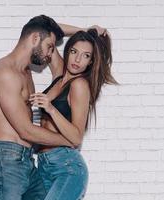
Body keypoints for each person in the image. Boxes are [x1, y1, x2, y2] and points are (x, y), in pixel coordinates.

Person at [0, 15, 73, 200]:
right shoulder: (5, 73)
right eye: (49, 47)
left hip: (26, 160)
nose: (50, 54)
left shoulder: (25, 72)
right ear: (35, 38)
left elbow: (50, 28)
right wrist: (69, 139)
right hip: (4, 159)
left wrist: (87, 31)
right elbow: (25, 130)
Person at [29, 24, 118, 199]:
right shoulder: (59, 76)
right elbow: (46, 27)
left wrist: (50, 108)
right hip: (44, 166)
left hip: (66, 167)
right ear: (67, 51)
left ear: (91, 61)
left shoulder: (79, 85)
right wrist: (84, 30)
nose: (77, 60)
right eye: (74, 52)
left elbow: (76, 137)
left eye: (86, 56)